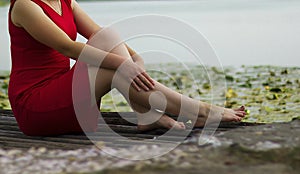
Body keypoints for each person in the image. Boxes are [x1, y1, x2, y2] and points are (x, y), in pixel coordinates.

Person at [8, 0, 246, 136]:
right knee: (108, 67)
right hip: (36, 105)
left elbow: (99, 34)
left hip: (67, 101)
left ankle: (148, 113)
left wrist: (134, 57)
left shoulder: (66, 1)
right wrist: (124, 64)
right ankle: (199, 111)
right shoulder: (24, 6)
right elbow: (68, 48)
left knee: (107, 35)